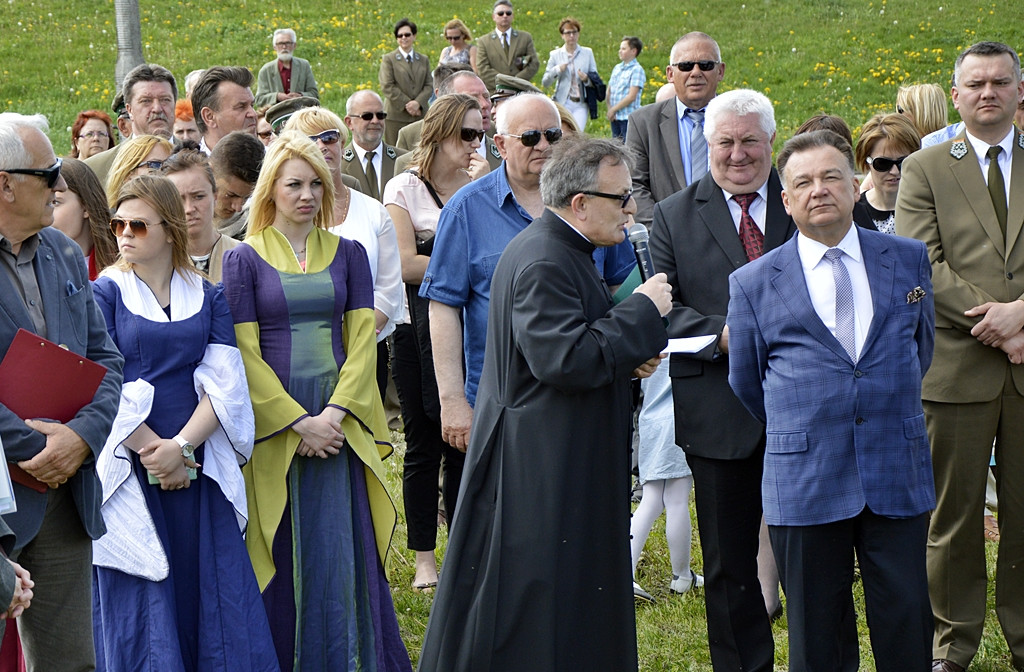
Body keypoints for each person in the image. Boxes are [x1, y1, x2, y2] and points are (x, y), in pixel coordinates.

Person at [417, 136, 671, 672]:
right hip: (544, 465)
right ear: (580, 203)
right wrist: (643, 313)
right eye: (620, 198)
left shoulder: (563, 250)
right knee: (539, 604)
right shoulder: (546, 259)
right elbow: (564, 359)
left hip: (557, 453)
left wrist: (626, 354)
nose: (630, 210)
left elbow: (571, 342)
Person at [728, 128, 936, 672]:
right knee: (818, 632)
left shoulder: (909, 260)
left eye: (830, 176)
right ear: (786, 199)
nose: (818, 189)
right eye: (803, 182)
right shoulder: (752, 283)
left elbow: (922, 350)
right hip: (806, 476)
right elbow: (748, 381)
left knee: (907, 617)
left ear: (854, 182)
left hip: (895, 464)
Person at [220, 131, 411, 672]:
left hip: (337, 423)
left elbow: (361, 343)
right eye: (294, 185)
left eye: (315, 185)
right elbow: (242, 354)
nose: (306, 195)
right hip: (280, 426)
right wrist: (296, 422)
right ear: (271, 191)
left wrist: (334, 414)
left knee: (341, 543)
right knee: (279, 544)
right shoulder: (244, 260)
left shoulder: (349, 254)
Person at [90, 174, 278, 671]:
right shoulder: (105, 293)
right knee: (146, 587)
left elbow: (224, 382)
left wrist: (183, 449)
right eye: (118, 223)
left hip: (196, 466)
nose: (124, 234)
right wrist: (156, 453)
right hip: (131, 466)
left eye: (138, 225)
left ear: (170, 230)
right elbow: (101, 381)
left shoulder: (208, 294)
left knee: (210, 587)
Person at [648, 89, 796, 672]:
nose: (738, 154)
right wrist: (724, 335)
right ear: (706, 144)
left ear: (771, 142)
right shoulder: (673, 214)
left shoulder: (806, 198)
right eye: (725, 142)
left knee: (816, 559)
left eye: (750, 141)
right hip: (717, 413)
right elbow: (661, 306)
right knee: (730, 566)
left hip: (806, 411)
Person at [895, 41, 1024, 672]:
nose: (988, 93)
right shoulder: (925, 168)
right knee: (954, 519)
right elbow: (922, 264)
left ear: (1019, 91)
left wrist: (1023, 314)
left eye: (1001, 82)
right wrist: (1000, 324)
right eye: (975, 84)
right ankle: (953, 647)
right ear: (956, 94)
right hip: (957, 370)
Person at [420, 93, 636, 452]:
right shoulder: (466, 210)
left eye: (553, 136)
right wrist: (453, 401)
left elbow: (624, 287)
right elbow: (443, 307)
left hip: (587, 393)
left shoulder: (595, 202)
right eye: (530, 138)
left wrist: (634, 349)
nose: (544, 146)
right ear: (501, 145)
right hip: (501, 402)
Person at [0, 112, 123, 671]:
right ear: (5, 183)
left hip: (64, 497)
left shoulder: (64, 252)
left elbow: (106, 361)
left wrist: (81, 439)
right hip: (4, 492)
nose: (60, 184)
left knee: (70, 662)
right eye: (48, 174)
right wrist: (34, 448)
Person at [384, 94, 481, 592]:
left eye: (480, 134)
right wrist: (462, 268)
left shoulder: (482, 187)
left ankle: (467, 547)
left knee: (467, 443)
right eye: (466, 135)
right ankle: (425, 558)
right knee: (423, 442)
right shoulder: (404, 187)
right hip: (413, 328)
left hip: (472, 326)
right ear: (440, 134)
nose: (474, 145)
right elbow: (403, 265)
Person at [284, 106, 405, 400]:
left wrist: (359, 336)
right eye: (310, 139)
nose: (322, 146)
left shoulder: (373, 211)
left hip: (366, 347)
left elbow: (389, 286)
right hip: (301, 354)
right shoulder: (285, 216)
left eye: (330, 137)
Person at [626, 32, 726, 224]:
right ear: (670, 74)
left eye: (705, 65)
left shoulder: (739, 119)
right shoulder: (643, 122)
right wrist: (662, 235)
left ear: (720, 71)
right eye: (686, 66)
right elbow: (635, 185)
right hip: (666, 237)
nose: (695, 72)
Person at [84, 63, 177, 185]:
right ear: (129, 110)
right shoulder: (95, 169)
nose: (157, 108)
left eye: (165, 100)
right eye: (146, 101)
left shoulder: (199, 158)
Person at [394, 71, 500, 176]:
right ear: (446, 105)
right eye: (472, 98)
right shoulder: (406, 166)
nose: (485, 104)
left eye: (486, 97)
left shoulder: (506, 152)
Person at [161, 149, 241, 283]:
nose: (189, 209)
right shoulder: (157, 261)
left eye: (198, 197)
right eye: (178, 200)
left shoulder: (241, 255)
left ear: (215, 196)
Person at [852, 113, 920, 234]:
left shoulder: (929, 207)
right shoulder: (853, 214)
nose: (894, 172)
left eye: (903, 162)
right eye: (883, 163)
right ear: (867, 163)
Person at [53, 157, 118, 279]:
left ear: (86, 206)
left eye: (55, 202)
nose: (46, 213)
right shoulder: (34, 265)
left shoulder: (123, 260)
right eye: (44, 203)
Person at [342, 90, 407, 201]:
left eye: (380, 115)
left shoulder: (404, 160)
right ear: (349, 122)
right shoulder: (337, 165)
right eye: (367, 116)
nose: (375, 121)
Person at [379, 19, 432, 146]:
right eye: (399, 35)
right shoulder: (389, 59)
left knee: (421, 151)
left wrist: (418, 103)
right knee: (396, 153)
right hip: (396, 116)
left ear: (414, 36)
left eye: (407, 34)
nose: (404, 38)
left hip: (420, 116)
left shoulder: (423, 59)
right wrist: (408, 104)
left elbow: (429, 85)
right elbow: (387, 85)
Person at [541, 17, 598, 132]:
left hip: (581, 102)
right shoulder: (555, 55)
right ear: (562, 35)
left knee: (577, 132)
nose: (571, 36)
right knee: (562, 133)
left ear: (578, 34)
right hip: (563, 101)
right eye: (568, 33)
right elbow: (545, 82)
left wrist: (586, 79)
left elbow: (595, 79)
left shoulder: (587, 53)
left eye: (574, 32)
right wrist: (557, 69)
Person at [474, 0, 539, 94]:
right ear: (493, 17)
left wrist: (517, 82)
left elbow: (534, 63)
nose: (505, 16)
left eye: (508, 13)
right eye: (500, 13)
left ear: (513, 16)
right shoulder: (483, 41)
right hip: (496, 92)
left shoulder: (525, 38)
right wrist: (505, 83)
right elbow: (483, 68)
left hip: (521, 92)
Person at [209, 131, 265, 239]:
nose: (238, 207)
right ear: (209, 173)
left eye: (246, 198)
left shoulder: (258, 231)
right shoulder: (175, 222)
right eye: (231, 195)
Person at [191, 66, 258, 154]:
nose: (253, 114)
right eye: (241, 107)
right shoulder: (188, 166)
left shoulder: (273, 162)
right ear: (209, 117)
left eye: (252, 105)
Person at [255, 28, 320, 108]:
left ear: (294, 45)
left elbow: (314, 94)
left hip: (300, 113)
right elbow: (259, 99)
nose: (284, 47)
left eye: (288, 43)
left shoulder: (304, 66)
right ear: (275, 47)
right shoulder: (266, 70)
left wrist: (300, 96)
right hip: (275, 115)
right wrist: (277, 97)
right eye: (280, 43)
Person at [104, 134, 173, 207]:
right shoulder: (112, 217)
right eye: (155, 165)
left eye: (169, 164)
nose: (165, 171)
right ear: (128, 175)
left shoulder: (183, 213)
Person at [606, 36, 646, 140]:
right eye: (620, 48)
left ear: (633, 51)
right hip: (615, 117)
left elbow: (631, 96)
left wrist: (614, 109)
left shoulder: (637, 70)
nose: (620, 51)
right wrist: (610, 109)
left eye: (623, 49)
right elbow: (609, 90)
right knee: (616, 149)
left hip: (627, 117)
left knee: (628, 149)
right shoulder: (617, 68)